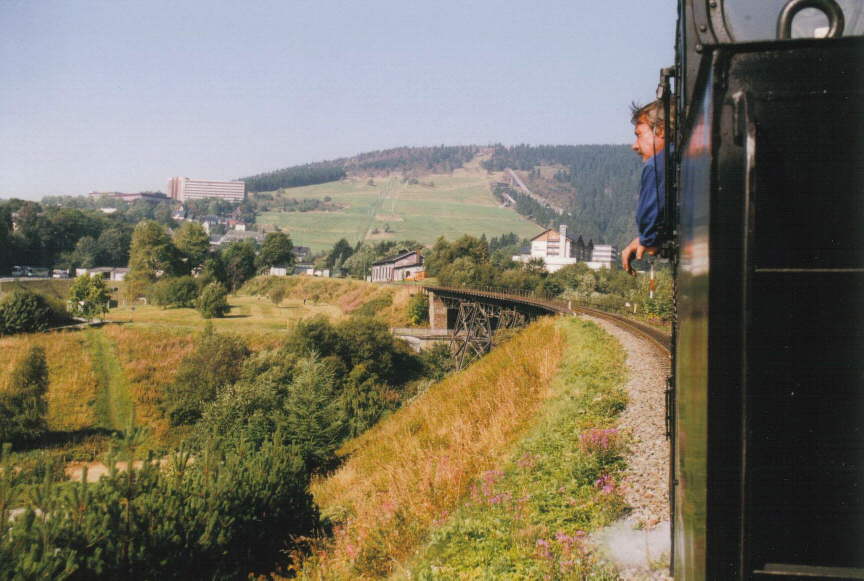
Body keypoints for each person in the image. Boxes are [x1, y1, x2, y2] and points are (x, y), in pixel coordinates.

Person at [621, 99, 675, 275]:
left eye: (639, 135)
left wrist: (647, 239)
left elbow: (649, 216)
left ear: (661, 130)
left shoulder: (657, 165)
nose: (635, 146)